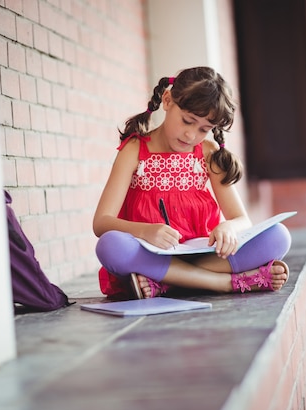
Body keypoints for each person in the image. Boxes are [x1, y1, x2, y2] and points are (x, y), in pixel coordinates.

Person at [93, 66, 291, 299]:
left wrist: (228, 227)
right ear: (167, 100)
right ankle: (226, 283)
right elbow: (101, 223)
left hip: (201, 255)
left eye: (204, 129)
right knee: (110, 246)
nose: (191, 135)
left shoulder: (208, 152)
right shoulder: (134, 150)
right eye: (187, 121)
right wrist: (146, 231)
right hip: (152, 255)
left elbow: (242, 220)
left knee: (279, 236)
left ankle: (168, 283)